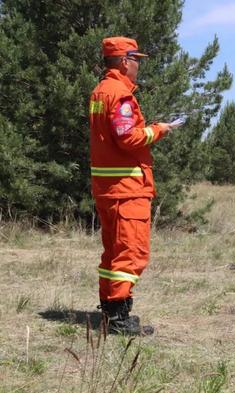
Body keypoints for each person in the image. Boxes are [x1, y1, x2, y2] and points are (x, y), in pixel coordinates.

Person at [90, 37, 179, 335]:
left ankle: (112, 310)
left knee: (113, 253)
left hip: (108, 188)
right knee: (131, 252)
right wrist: (158, 130)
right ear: (125, 61)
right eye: (136, 59)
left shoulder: (101, 91)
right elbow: (127, 138)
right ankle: (117, 319)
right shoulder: (120, 94)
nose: (139, 65)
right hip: (127, 189)